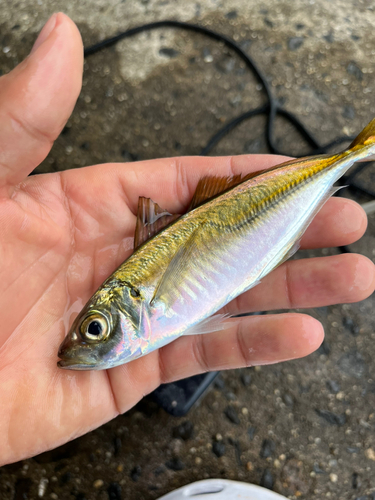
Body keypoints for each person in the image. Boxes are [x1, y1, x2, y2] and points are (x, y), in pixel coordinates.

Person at [0, 12, 374, 471]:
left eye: (95, 327)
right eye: (93, 330)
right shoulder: (139, 318)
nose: (88, 339)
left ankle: (358, 151)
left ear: (133, 304)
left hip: (256, 213)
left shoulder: (144, 300)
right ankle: (352, 155)